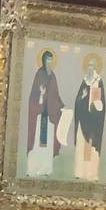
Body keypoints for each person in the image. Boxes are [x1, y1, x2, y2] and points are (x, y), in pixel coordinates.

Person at [26, 49, 63, 177]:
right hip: (41, 114)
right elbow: (34, 95)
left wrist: (62, 106)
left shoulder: (52, 75)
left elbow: (56, 94)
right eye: (48, 60)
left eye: (51, 60)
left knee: (48, 144)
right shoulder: (39, 74)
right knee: (39, 143)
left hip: (50, 115)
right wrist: (41, 95)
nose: (49, 62)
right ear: (43, 60)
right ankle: (34, 168)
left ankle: (46, 169)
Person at [72, 54, 106, 181]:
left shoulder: (98, 81)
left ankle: (91, 174)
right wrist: (82, 96)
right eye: (89, 65)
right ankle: (80, 172)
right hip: (83, 119)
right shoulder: (85, 80)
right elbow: (78, 101)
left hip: (93, 121)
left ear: (96, 67)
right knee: (82, 145)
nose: (90, 68)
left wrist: (97, 105)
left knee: (91, 147)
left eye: (92, 65)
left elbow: (101, 103)